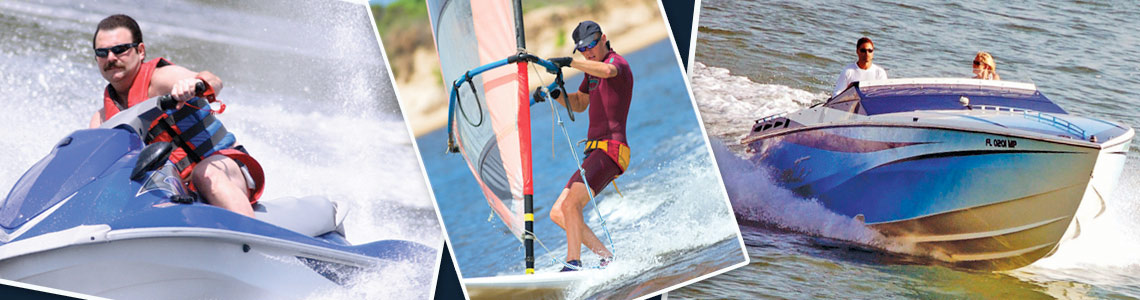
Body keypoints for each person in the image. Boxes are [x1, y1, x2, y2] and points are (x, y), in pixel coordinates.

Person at [89, 14, 260, 217]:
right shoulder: (102, 121)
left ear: (140, 51)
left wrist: (194, 84)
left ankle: (252, 238)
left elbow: (214, 81)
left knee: (204, 173)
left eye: (120, 50)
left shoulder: (163, 79)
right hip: (174, 190)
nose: (111, 58)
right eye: (102, 52)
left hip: (226, 169)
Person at [545, 20, 632, 272]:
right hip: (595, 152)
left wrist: (569, 63)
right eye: (583, 49)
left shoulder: (617, 64)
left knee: (571, 204)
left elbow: (607, 72)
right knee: (559, 211)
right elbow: (581, 102)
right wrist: (555, 94)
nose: (589, 51)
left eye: (593, 44)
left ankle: (572, 264)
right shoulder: (590, 72)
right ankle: (606, 258)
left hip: (612, 150)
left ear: (604, 38)